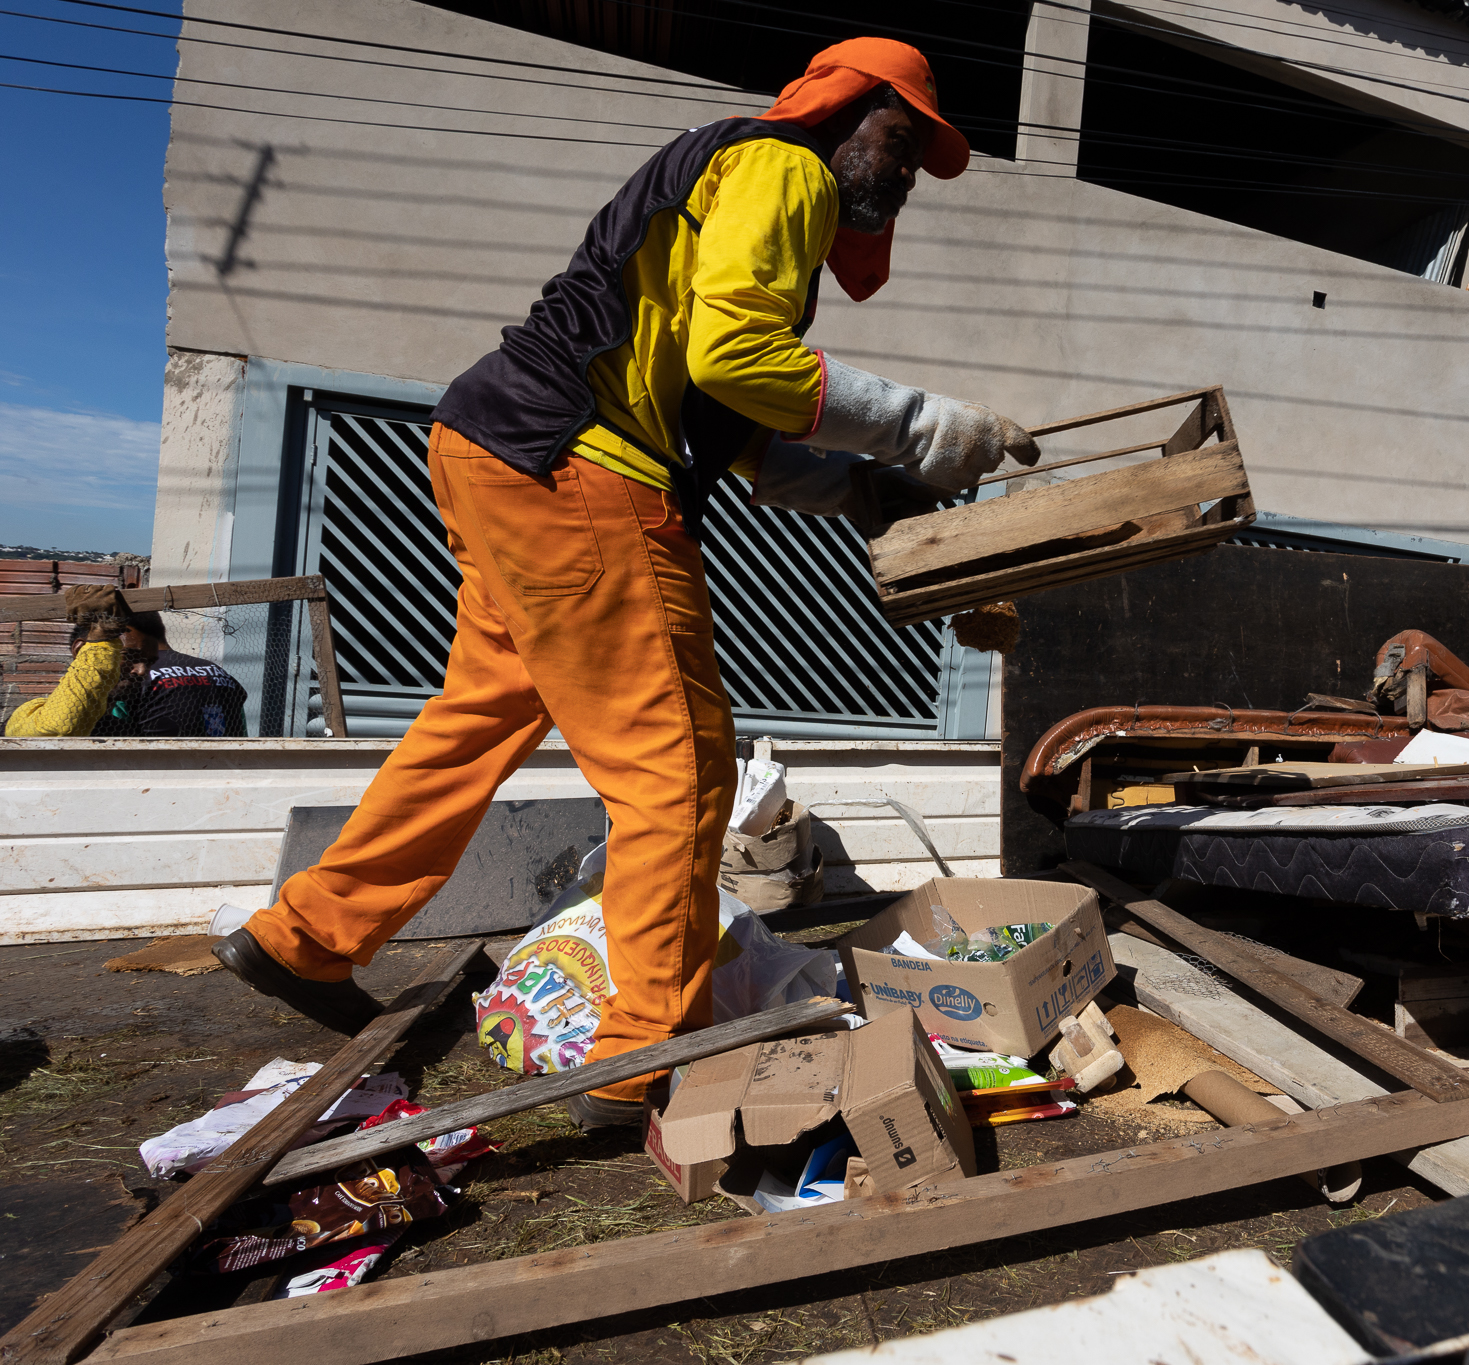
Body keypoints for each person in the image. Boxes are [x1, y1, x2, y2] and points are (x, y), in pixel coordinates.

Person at [212, 37, 1040, 1130]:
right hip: (580, 474)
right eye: (897, 142)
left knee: (478, 717)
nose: (901, 175)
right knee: (679, 777)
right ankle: (636, 1058)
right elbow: (736, 363)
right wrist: (929, 427)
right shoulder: (784, 166)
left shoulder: (721, 176)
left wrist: (866, 491)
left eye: (916, 164)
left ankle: (303, 938)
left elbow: (723, 423)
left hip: (493, 445)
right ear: (845, 109)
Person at [90, 612, 250, 739]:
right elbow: (240, 730)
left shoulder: (131, 675)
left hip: (162, 770)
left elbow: (115, 734)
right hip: (225, 769)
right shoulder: (217, 671)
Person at [4, 586, 134, 738]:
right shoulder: (30, 716)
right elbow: (59, 726)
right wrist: (103, 637)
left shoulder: (122, 728)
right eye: (124, 655)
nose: (141, 670)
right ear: (80, 650)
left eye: (150, 661)